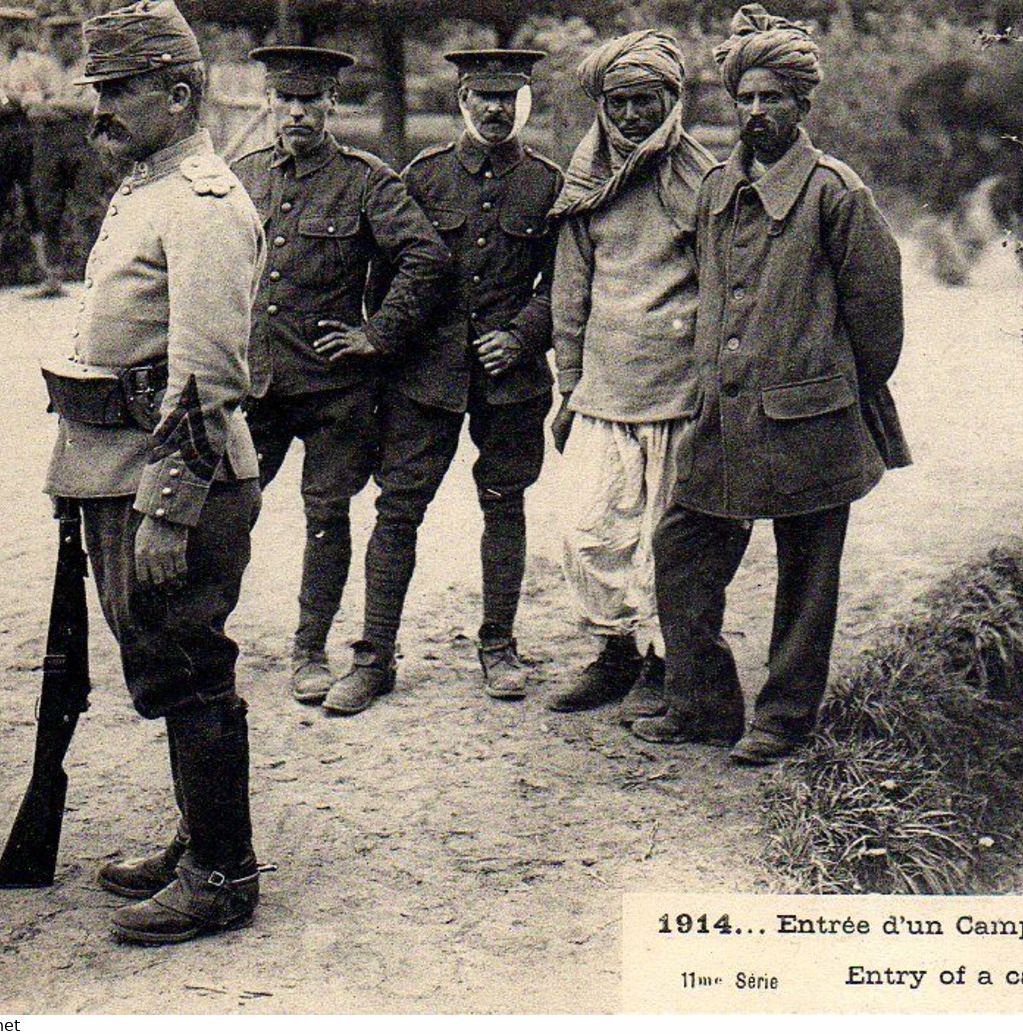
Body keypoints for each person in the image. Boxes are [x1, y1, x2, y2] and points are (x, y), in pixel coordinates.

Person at [40, 0, 266, 944]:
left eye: (119, 91)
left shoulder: (205, 204)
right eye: (98, 89)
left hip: (173, 479)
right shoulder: (147, 183)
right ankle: (196, 838)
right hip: (115, 470)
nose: (100, 109)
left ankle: (222, 873)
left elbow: (208, 377)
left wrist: (167, 514)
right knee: (161, 661)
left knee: (186, 663)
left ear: (178, 94)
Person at [631, 4, 907, 765]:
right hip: (723, 417)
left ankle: (782, 719)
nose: (757, 112)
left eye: (772, 98)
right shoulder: (717, 186)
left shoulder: (834, 192)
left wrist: (826, 384)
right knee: (681, 547)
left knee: (807, 574)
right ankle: (702, 705)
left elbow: (877, 320)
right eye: (745, 98)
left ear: (801, 104)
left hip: (809, 417)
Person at [325, 49, 563, 712]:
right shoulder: (423, 178)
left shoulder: (547, 184)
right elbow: (388, 271)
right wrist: (383, 341)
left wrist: (521, 335)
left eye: (508, 97)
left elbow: (565, 283)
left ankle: (498, 645)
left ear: (525, 103)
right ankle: (373, 658)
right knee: (398, 507)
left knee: (505, 504)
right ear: (461, 98)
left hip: (509, 380)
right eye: (483, 96)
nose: (495, 109)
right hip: (424, 377)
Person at [231, 46, 449, 708]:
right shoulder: (239, 177)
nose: (296, 112)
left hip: (334, 389)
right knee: (225, 509)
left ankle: (307, 650)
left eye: (310, 101)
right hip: (255, 385)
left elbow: (425, 257)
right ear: (267, 103)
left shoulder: (365, 180)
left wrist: (377, 334)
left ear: (332, 106)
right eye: (284, 99)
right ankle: (202, 643)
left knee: (326, 516)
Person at [544, 31, 715, 717]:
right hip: (604, 391)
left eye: (645, 101)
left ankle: (662, 661)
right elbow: (570, 291)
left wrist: (711, 389)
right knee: (587, 530)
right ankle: (612, 651)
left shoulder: (703, 180)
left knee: (663, 539)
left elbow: (721, 288)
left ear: (671, 101)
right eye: (618, 103)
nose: (631, 116)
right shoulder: (585, 181)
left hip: (677, 393)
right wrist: (567, 385)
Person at [0, 6, 60, 297]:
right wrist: (25, 99)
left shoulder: (34, 63)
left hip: (32, 138)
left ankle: (49, 274)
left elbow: (50, 99)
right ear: (5, 30)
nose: (26, 34)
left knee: (37, 202)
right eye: (20, 28)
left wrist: (11, 97)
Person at [23, 13, 111, 298]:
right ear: (56, 41)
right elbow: (31, 106)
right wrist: (67, 105)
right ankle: (52, 276)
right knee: (48, 210)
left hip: (83, 142)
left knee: (88, 207)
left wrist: (53, 104)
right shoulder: (39, 68)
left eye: (78, 38)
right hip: (48, 144)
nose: (76, 44)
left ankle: (100, 275)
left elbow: (92, 106)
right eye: (69, 39)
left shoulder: (90, 68)